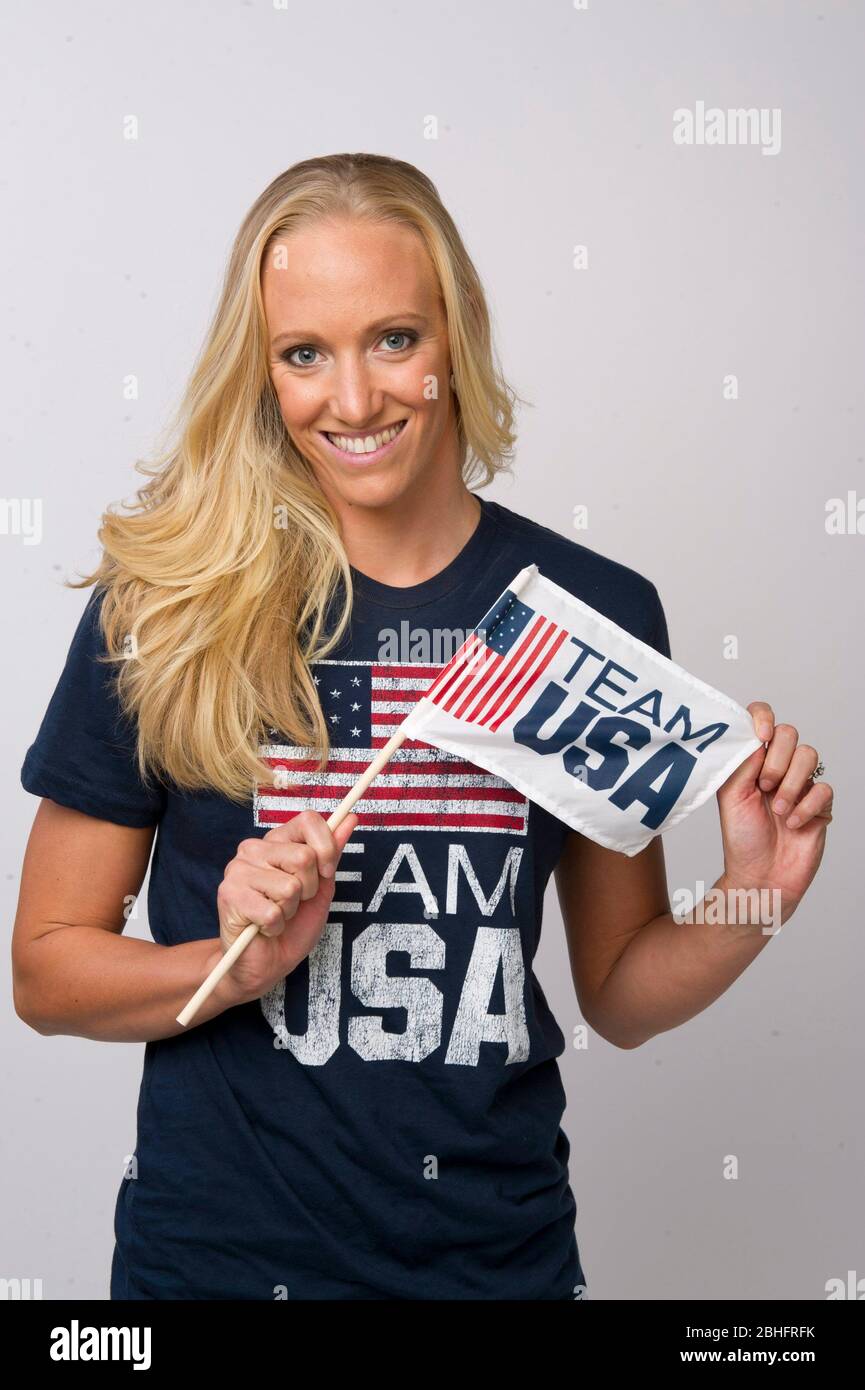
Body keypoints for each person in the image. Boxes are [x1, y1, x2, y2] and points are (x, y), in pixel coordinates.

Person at [12, 153, 833, 1301]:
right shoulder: (165, 606)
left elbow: (619, 993)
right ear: (263, 372)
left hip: (495, 1269)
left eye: (393, 339)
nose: (352, 400)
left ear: (457, 338)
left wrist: (757, 893)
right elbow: (45, 973)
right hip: (217, 1270)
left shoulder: (588, 613)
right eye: (304, 354)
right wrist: (234, 963)